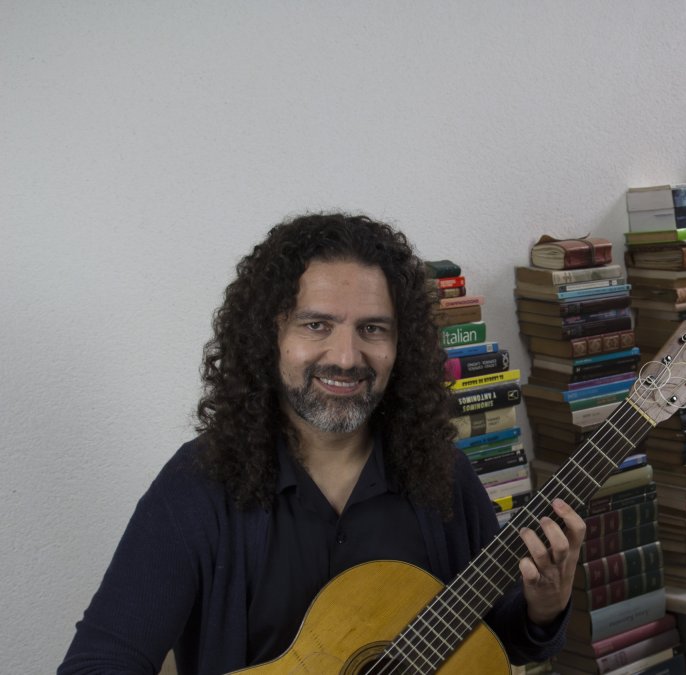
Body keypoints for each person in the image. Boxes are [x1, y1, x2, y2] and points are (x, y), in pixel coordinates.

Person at [60, 213, 585, 674]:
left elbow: (497, 645)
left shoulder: (441, 476)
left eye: (373, 329)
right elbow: (98, 663)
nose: (346, 357)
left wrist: (543, 605)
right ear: (272, 335)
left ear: (401, 347)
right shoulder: (198, 487)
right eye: (317, 324)